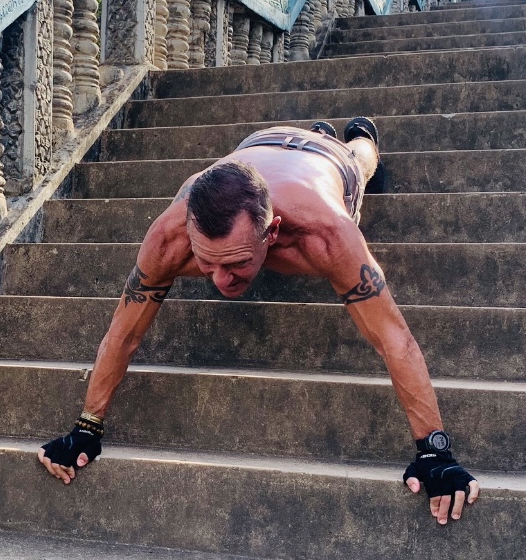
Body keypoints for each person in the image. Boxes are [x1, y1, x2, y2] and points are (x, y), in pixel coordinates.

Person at [38, 117, 480, 526]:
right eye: (206, 264)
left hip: (328, 165)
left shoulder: (327, 234)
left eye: (236, 265)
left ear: (272, 233)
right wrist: (85, 428)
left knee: (358, 161)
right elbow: (125, 331)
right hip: (257, 144)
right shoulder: (170, 237)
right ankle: (322, 135)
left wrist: (434, 452)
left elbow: (392, 337)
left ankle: (358, 136)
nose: (219, 281)